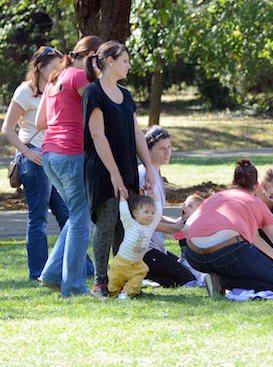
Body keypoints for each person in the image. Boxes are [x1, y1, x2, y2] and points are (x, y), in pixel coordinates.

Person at [82, 40, 156, 296]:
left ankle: (121, 278)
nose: (129, 66)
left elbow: (137, 132)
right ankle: (100, 281)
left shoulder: (126, 95)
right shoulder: (94, 93)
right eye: (124, 60)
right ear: (110, 61)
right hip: (102, 170)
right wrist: (114, 175)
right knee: (107, 222)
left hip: (127, 168)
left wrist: (149, 168)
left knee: (126, 226)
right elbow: (98, 136)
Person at [183, 159, 273, 296]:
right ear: (257, 186)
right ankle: (221, 281)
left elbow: (187, 227)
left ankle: (216, 277)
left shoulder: (215, 197)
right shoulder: (256, 203)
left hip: (194, 256)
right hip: (226, 253)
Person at [35, 35, 103, 297]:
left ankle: (52, 275)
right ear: (93, 55)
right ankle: (73, 285)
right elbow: (99, 108)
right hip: (71, 153)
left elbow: (41, 122)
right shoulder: (78, 77)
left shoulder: (56, 79)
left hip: (50, 155)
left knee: (77, 216)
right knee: (81, 219)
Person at [1, 46, 69, 280]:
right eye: (54, 68)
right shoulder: (25, 91)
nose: (58, 73)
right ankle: (38, 272)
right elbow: (7, 129)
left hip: (53, 158)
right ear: (40, 67)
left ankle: (83, 267)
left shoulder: (56, 90)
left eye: (61, 69)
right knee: (38, 218)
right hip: (33, 158)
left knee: (68, 215)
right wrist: (28, 154)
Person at [138, 126, 198, 288]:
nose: (167, 153)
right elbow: (141, 219)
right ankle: (141, 273)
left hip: (156, 247)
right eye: (161, 148)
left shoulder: (156, 174)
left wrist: (176, 223)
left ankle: (146, 276)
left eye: (169, 147)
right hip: (143, 251)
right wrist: (172, 229)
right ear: (147, 151)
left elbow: (155, 213)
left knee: (187, 274)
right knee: (189, 280)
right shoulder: (144, 176)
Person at [107, 194, 162, 299]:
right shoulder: (130, 224)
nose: (150, 215)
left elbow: (158, 215)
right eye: (146, 212)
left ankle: (127, 294)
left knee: (137, 280)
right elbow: (124, 214)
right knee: (114, 282)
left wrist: (157, 197)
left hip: (137, 265)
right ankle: (113, 293)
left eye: (152, 213)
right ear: (135, 213)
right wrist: (122, 199)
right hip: (121, 263)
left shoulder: (150, 227)